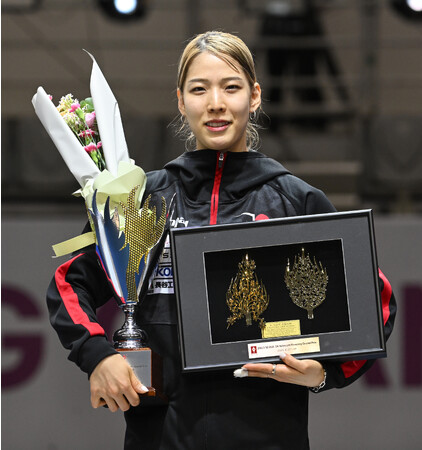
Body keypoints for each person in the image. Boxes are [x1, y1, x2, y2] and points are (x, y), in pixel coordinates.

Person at [47, 31, 396, 450]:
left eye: (231, 87)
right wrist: (99, 355)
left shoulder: (293, 199)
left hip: (270, 437)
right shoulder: (144, 200)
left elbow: (377, 298)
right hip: (161, 438)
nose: (215, 103)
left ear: (254, 96)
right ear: (180, 100)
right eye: (199, 89)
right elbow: (69, 281)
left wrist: (325, 374)